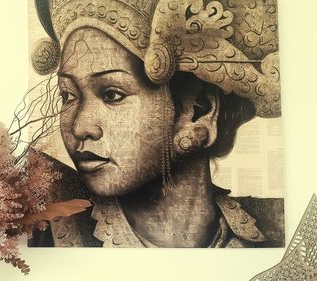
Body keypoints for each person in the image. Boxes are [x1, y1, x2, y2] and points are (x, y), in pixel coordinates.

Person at [28, 0, 284, 248]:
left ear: (198, 112)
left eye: (112, 95)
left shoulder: (277, 225)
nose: (80, 128)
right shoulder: (43, 219)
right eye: (68, 95)